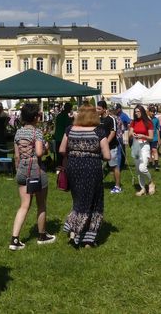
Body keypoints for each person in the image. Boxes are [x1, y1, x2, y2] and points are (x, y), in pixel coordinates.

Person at [59, 104, 111, 248]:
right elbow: (107, 156)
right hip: (92, 168)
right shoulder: (99, 131)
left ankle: (74, 232)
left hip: (73, 167)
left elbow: (62, 149)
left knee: (78, 199)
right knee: (93, 201)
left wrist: (76, 152)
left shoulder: (70, 130)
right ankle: (87, 237)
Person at [9, 103, 56, 250]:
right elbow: (40, 152)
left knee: (24, 205)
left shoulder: (18, 132)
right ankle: (42, 235)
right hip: (36, 169)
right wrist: (46, 147)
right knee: (41, 204)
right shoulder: (37, 132)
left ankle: (15, 238)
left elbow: (16, 155)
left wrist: (18, 169)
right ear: (36, 117)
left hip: (22, 168)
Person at [130, 105, 155, 197]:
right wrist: (132, 134)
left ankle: (151, 182)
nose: (136, 113)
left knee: (142, 168)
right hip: (136, 146)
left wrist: (142, 136)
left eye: (138, 111)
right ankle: (143, 188)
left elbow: (151, 138)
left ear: (142, 112)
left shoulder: (148, 122)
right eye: (135, 112)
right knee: (138, 170)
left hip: (145, 146)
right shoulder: (133, 122)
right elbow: (130, 133)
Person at [97, 100, 120, 193]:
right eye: (96, 108)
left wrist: (105, 144)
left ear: (104, 109)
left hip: (111, 147)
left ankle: (118, 186)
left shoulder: (111, 119)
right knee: (98, 166)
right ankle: (98, 184)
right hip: (99, 148)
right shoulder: (97, 119)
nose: (97, 110)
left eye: (99, 109)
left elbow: (113, 133)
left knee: (114, 166)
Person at [53, 102, 72, 167]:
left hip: (57, 137)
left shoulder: (59, 115)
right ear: (69, 108)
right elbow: (68, 127)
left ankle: (59, 168)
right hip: (63, 137)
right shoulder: (65, 116)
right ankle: (63, 168)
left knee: (58, 155)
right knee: (64, 154)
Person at [148, 106, 161, 171]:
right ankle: (150, 163)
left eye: (154, 112)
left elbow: (158, 129)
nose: (152, 113)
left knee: (154, 150)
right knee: (149, 151)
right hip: (147, 138)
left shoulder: (156, 120)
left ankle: (156, 165)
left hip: (154, 138)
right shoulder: (146, 120)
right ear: (149, 112)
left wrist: (159, 139)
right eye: (151, 112)